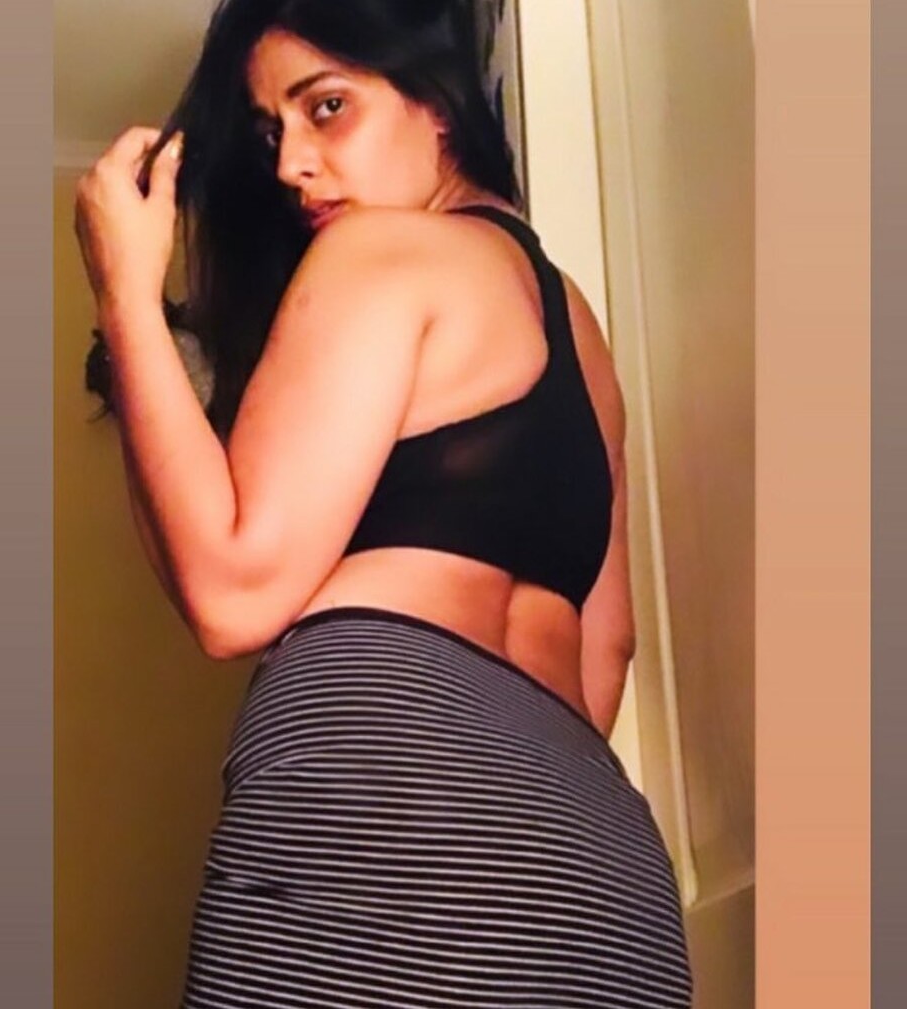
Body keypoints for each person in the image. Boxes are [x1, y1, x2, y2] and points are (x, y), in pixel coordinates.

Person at [73, 1, 693, 1005]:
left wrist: (124, 294)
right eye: (272, 132)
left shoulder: (380, 251)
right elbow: (604, 653)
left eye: (327, 107)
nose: (291, 164)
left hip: (381, 794)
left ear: (435, 99)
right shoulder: (581, 330)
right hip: (600, 866)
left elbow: (230, 593)